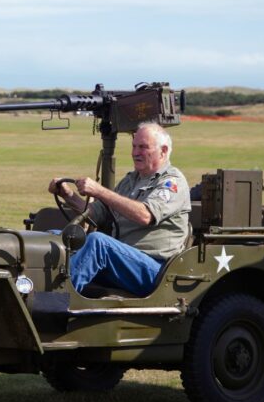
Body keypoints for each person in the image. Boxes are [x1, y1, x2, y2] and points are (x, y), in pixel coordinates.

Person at [48, 122, 191, 297]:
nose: (135, 152)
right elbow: (96, 213)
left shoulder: (172, 182)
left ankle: (54, 300)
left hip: (155, 269)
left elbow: (145, 215)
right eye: (134, 146)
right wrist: (68, 196)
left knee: (97, 243)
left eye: (143, 147)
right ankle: (27, 292)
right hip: (123, 260)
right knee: (54, 238)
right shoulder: (131, 180)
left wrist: (99, 190)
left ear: (163, 151)